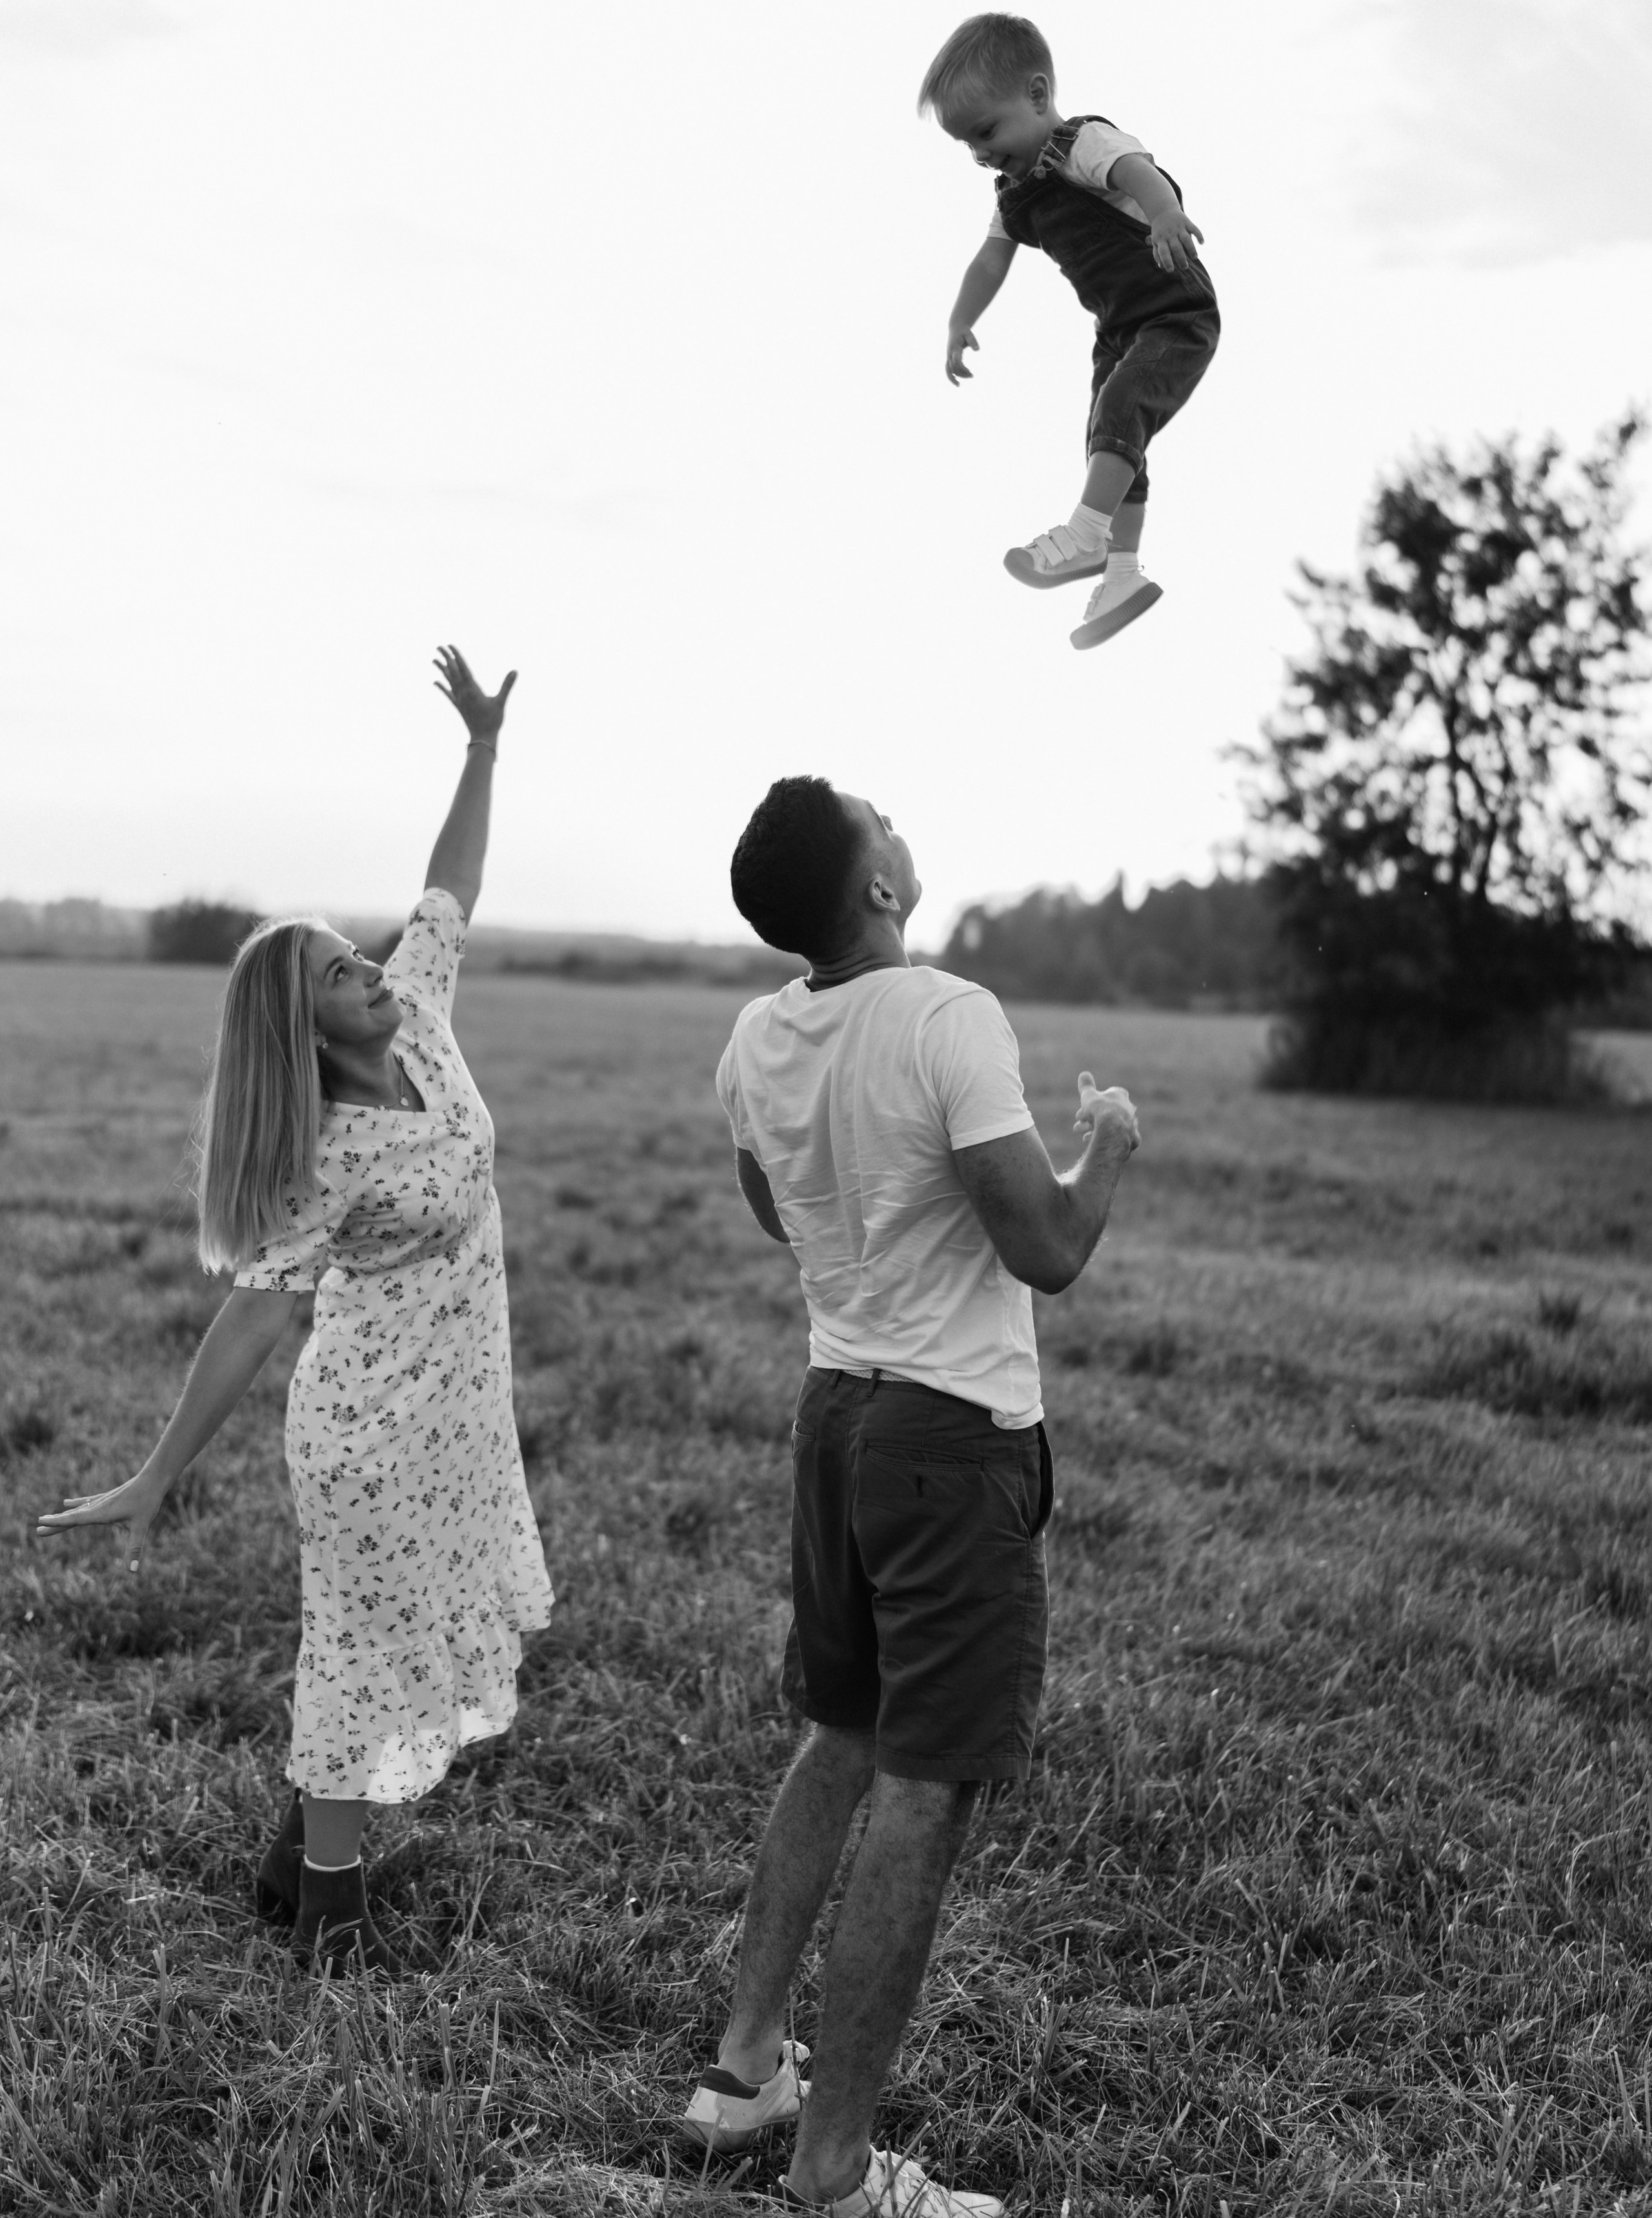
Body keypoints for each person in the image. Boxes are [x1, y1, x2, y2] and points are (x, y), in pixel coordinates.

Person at [37, 647, 553, 1977]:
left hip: (455, 1408)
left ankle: (292, 1853)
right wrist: (158, 1475)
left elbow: (452, 884)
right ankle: (330, 1912)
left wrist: (482, 746)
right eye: (335, 975)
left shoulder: (423, 1017)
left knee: (402, 1643)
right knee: (356, 1655)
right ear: (302, 1026)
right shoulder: (318, 1152)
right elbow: (254, 1324)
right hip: (365, 1430)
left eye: (353, 955)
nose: (366, 971)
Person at [681, 776, 1140, 2218]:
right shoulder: (948, 1015)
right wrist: (1108, 1139)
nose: (897, 825)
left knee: (842, 1734)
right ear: (875, 887)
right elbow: (1047, 1246)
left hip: (836, 1416)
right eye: (880, 816)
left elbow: (778, 1211)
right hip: (948, 1439)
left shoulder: (755, 1038)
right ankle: (830, 2169)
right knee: (921, 1785)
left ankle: (743, 2072)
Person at [918, 10, 1221, 652]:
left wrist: (1166, 213)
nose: (979, 153)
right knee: (1111, 441)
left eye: (986, 131)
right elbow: (989, 259)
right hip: (1117, 328)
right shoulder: (1015, 194)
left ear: (1034, 95)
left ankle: (1086, 532)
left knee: (1120, 410)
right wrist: (959, 318)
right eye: (965, 144)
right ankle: (1121, 576)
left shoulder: (1083, 146)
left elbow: (1140, 170)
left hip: (1175, 311)